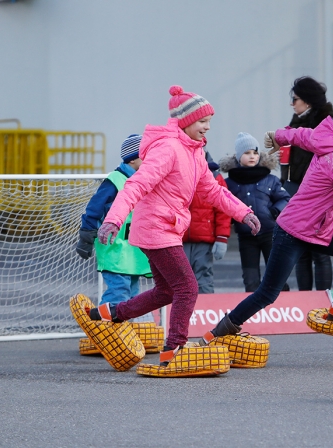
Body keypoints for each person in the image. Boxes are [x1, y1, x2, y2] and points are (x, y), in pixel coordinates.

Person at [198, 108, 333, 342]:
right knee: (267, 293)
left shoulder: (326, 141)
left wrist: (278, 136)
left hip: (316, 229)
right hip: (293, 231)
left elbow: (301, 135)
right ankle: (216, 333)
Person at [90, 85, 260, 367]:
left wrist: (243, 212)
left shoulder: (194, 152)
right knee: (187, 287)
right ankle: (174, 349)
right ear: (186, 120)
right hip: (157, 228)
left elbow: (212, 191)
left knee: (166, 291)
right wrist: (113, 219)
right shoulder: (168, 148)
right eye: (203, 121)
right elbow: (136, 184)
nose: (207, 127)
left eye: (209, 122)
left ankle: (112, 312)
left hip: (167, 228)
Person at [76, 134, 153, 322]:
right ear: (133, 159)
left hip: (133, 252)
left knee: (133, 296)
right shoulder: (114, 181)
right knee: (119, 293)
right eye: (147, 155)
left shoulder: (146, 181)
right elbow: (94, 209)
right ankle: (103, 331)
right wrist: (86, 237)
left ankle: (124, 336)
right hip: (115, 250)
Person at [282, 76, 333, 292]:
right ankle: (305, 302)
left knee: (320, 251)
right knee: (301, 252)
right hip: (298, 194)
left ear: (308, 101)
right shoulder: (297, 121)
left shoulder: (328, 123)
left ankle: (323, 301)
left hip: (321, 197)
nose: (292, 104)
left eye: (295, 99)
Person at [220, 132, 291, 292]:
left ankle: (282, 309)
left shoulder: (270, 179)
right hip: (246, 237)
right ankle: (253, 311)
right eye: (247, 153)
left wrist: (274, 212)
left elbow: (285, 199)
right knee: (250, 279)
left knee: (277, 275)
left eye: (255, 152)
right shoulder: (230, 183)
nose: (252, 156)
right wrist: (232, 219)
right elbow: (224, 203)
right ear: (238, 157)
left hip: (270, 233)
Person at [182, 150, 231, 293]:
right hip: (178, 238)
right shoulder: (176, 172)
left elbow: (223, 208)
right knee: (179, 280)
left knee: (203, 277)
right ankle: (177, 314)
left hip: (204, 239)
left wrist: (221, 237)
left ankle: (204, 311)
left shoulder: (214, 176)